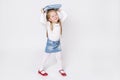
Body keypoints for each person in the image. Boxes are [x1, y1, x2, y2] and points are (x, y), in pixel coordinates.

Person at [38, 6, 67, 76]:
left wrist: (60, 10)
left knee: (59, 57)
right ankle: (40, 69)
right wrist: (42, 13)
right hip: (50, 44)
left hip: (57, 43)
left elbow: (66, 16)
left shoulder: (60, 22)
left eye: (56, 14)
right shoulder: (48, 24)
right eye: (53, 16)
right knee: (46, 57)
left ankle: (60, 68)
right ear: (49, 19)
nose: (55, 17)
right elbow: (41, 21)